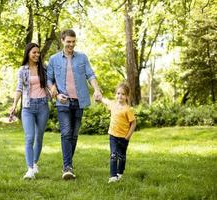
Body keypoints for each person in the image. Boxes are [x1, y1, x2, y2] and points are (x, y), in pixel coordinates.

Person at [47, 29, 102, 180]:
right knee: (66, 133)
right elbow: (49, 80)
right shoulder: (54, 59)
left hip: (79, 101)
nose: (71, 44)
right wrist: (55, 92)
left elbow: (90, 75)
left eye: (73, 42)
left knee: (74, 135)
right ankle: (67, 167)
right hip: (63, 102)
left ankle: (67, 164)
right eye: (68, 42)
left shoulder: (82, 58)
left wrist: (96, 89)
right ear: (62, 41)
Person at [9, 43, 51, 179]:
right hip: (28, 107)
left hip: (43, 106)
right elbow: (19, 88)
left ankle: (34, 163)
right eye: (34, 52)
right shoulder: (22, 70)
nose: (37, 55)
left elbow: (50, 84)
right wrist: (14, 105)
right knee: (29, 138)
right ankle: (30, 169)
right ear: (28, 53)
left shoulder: (44, 68)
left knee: (39, 137)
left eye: (38, 53)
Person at [101, 82, 136, 183]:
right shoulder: (113, 104)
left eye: (123, 94)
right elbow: (106, 101)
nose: (120, 96)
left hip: (123, 137)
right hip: (113, 136)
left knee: (122, 156)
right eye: (118, 93)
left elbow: (133, 123)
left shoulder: (128, 110)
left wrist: (128, 137)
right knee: (113, 155)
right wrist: (99, 96)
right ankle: (113, 176)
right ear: (115, 94)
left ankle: (120, 172)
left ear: (127, 96)